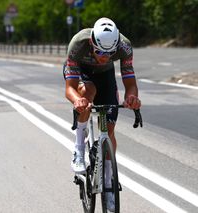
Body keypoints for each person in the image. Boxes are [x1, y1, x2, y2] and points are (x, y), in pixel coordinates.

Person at [63, 17, 141, 212]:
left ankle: (108, 181)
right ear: (92, 42)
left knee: (110, 127)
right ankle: (79, 147)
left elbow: (130, 82)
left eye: (109, 54)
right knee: (87, 93)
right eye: (99, 52)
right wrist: (77, 101)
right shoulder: (78, 44)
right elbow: (70, 88)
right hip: (82, 73)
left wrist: (132, 97)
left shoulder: (124, 46)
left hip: (106, 76)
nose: (104, 57)